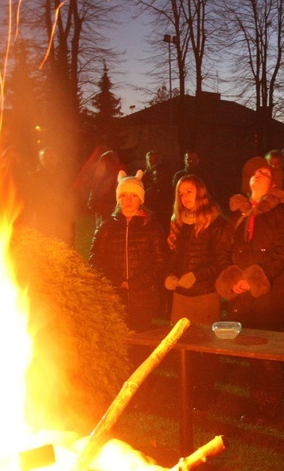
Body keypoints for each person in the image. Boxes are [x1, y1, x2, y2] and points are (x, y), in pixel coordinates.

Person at [215, 157, 284, 421]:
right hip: (242, 294)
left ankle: (271, 404)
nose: (258, 176)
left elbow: (283, 251)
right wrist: (232, 278)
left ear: (273, 182)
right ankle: (256, 401)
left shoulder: (279, 211)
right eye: (254, 173)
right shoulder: (237, 212)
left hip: (269, 294)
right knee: (250, 349)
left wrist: (256, 279)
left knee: (267, 351)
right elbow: (224, 249)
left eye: (264, 173)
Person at [165, 174, 228, 410]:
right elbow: (172, 257)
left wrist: (197, 275)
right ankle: (187, 392)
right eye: (181, 193)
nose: (184, 197)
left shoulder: (215, 223)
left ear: (200, 192)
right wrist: (169, 276)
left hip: (205, 296)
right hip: (181, 297)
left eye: (189, 191)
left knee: (206, 350)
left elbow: (221, 260)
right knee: (182, 349)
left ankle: (206, 394)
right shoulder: (178, 222)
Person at [89, 170, 167, 332]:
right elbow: (96, 259)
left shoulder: (152, 226)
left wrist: (136, 283)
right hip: (114, 297)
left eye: (133, 196)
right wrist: (116, 281)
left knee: (142, 339)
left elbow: (160, 262)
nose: (128, 200)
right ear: (118, 199)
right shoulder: (107, 227)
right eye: (124, 195)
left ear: (141, 199)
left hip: (144, 298)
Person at [24, 146, 77, 246]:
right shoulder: (34, 177)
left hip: (62, 219)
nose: (49, 161)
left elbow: (70, 195)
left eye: (52, 158)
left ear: (57, 159)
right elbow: (30, 198)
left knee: (64, 246)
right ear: (40, 160)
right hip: (43, 218)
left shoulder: (64, 176)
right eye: (45, 158)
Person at [87, 150, 124, 229]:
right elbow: (91, 203)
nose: (108, 166)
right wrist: (110, 210)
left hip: (118, 224)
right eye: (105, 164)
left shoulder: (121, 180)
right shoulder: (98, 182)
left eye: (111, 163)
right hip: (103, 224)